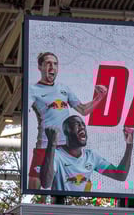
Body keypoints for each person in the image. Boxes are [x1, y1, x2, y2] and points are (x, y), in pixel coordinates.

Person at [28, 51, 108, 190]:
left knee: (62, 187)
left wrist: (99, 97)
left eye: (55, 64)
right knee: (34, 188)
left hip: (66, 147)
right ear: (40, 67)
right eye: (48, 63)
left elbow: (83, 110)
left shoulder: (64, 88)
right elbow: (24, 110)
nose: (52, 67)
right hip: (45, 145)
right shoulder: (33, 90)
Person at [40, 115, 134, 193]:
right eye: (76, 124)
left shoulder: (91, 157)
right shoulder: (56, 154)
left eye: (83, 124)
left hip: (81, 207)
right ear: (66, 132)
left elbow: (120, 175)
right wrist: (51, 145)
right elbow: (45, 183)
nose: (82, 127)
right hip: (61, 209)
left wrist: (129, 144)